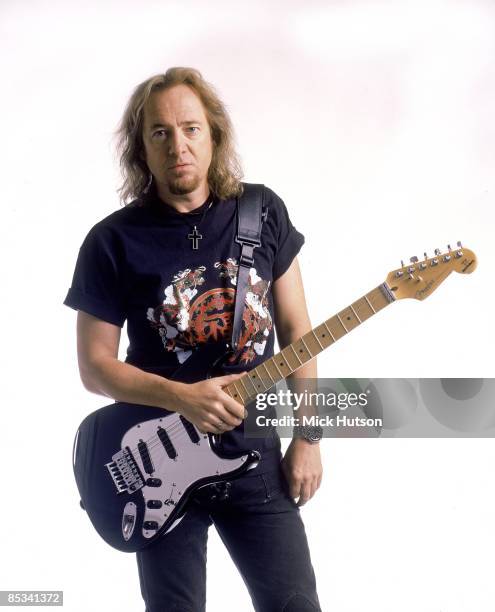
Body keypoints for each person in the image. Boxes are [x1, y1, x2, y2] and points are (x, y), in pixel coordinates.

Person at [64, 67, 323, 612]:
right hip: (157, 463)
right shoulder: (112, 242)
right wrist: (184, 398)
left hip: (255, 459)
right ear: (141, 148)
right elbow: (94, 366)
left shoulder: (262, 211)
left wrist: (309, 438)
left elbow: (299, 332)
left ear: (214, 135)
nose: (177, 145)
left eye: (190, 128)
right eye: (159, 132)